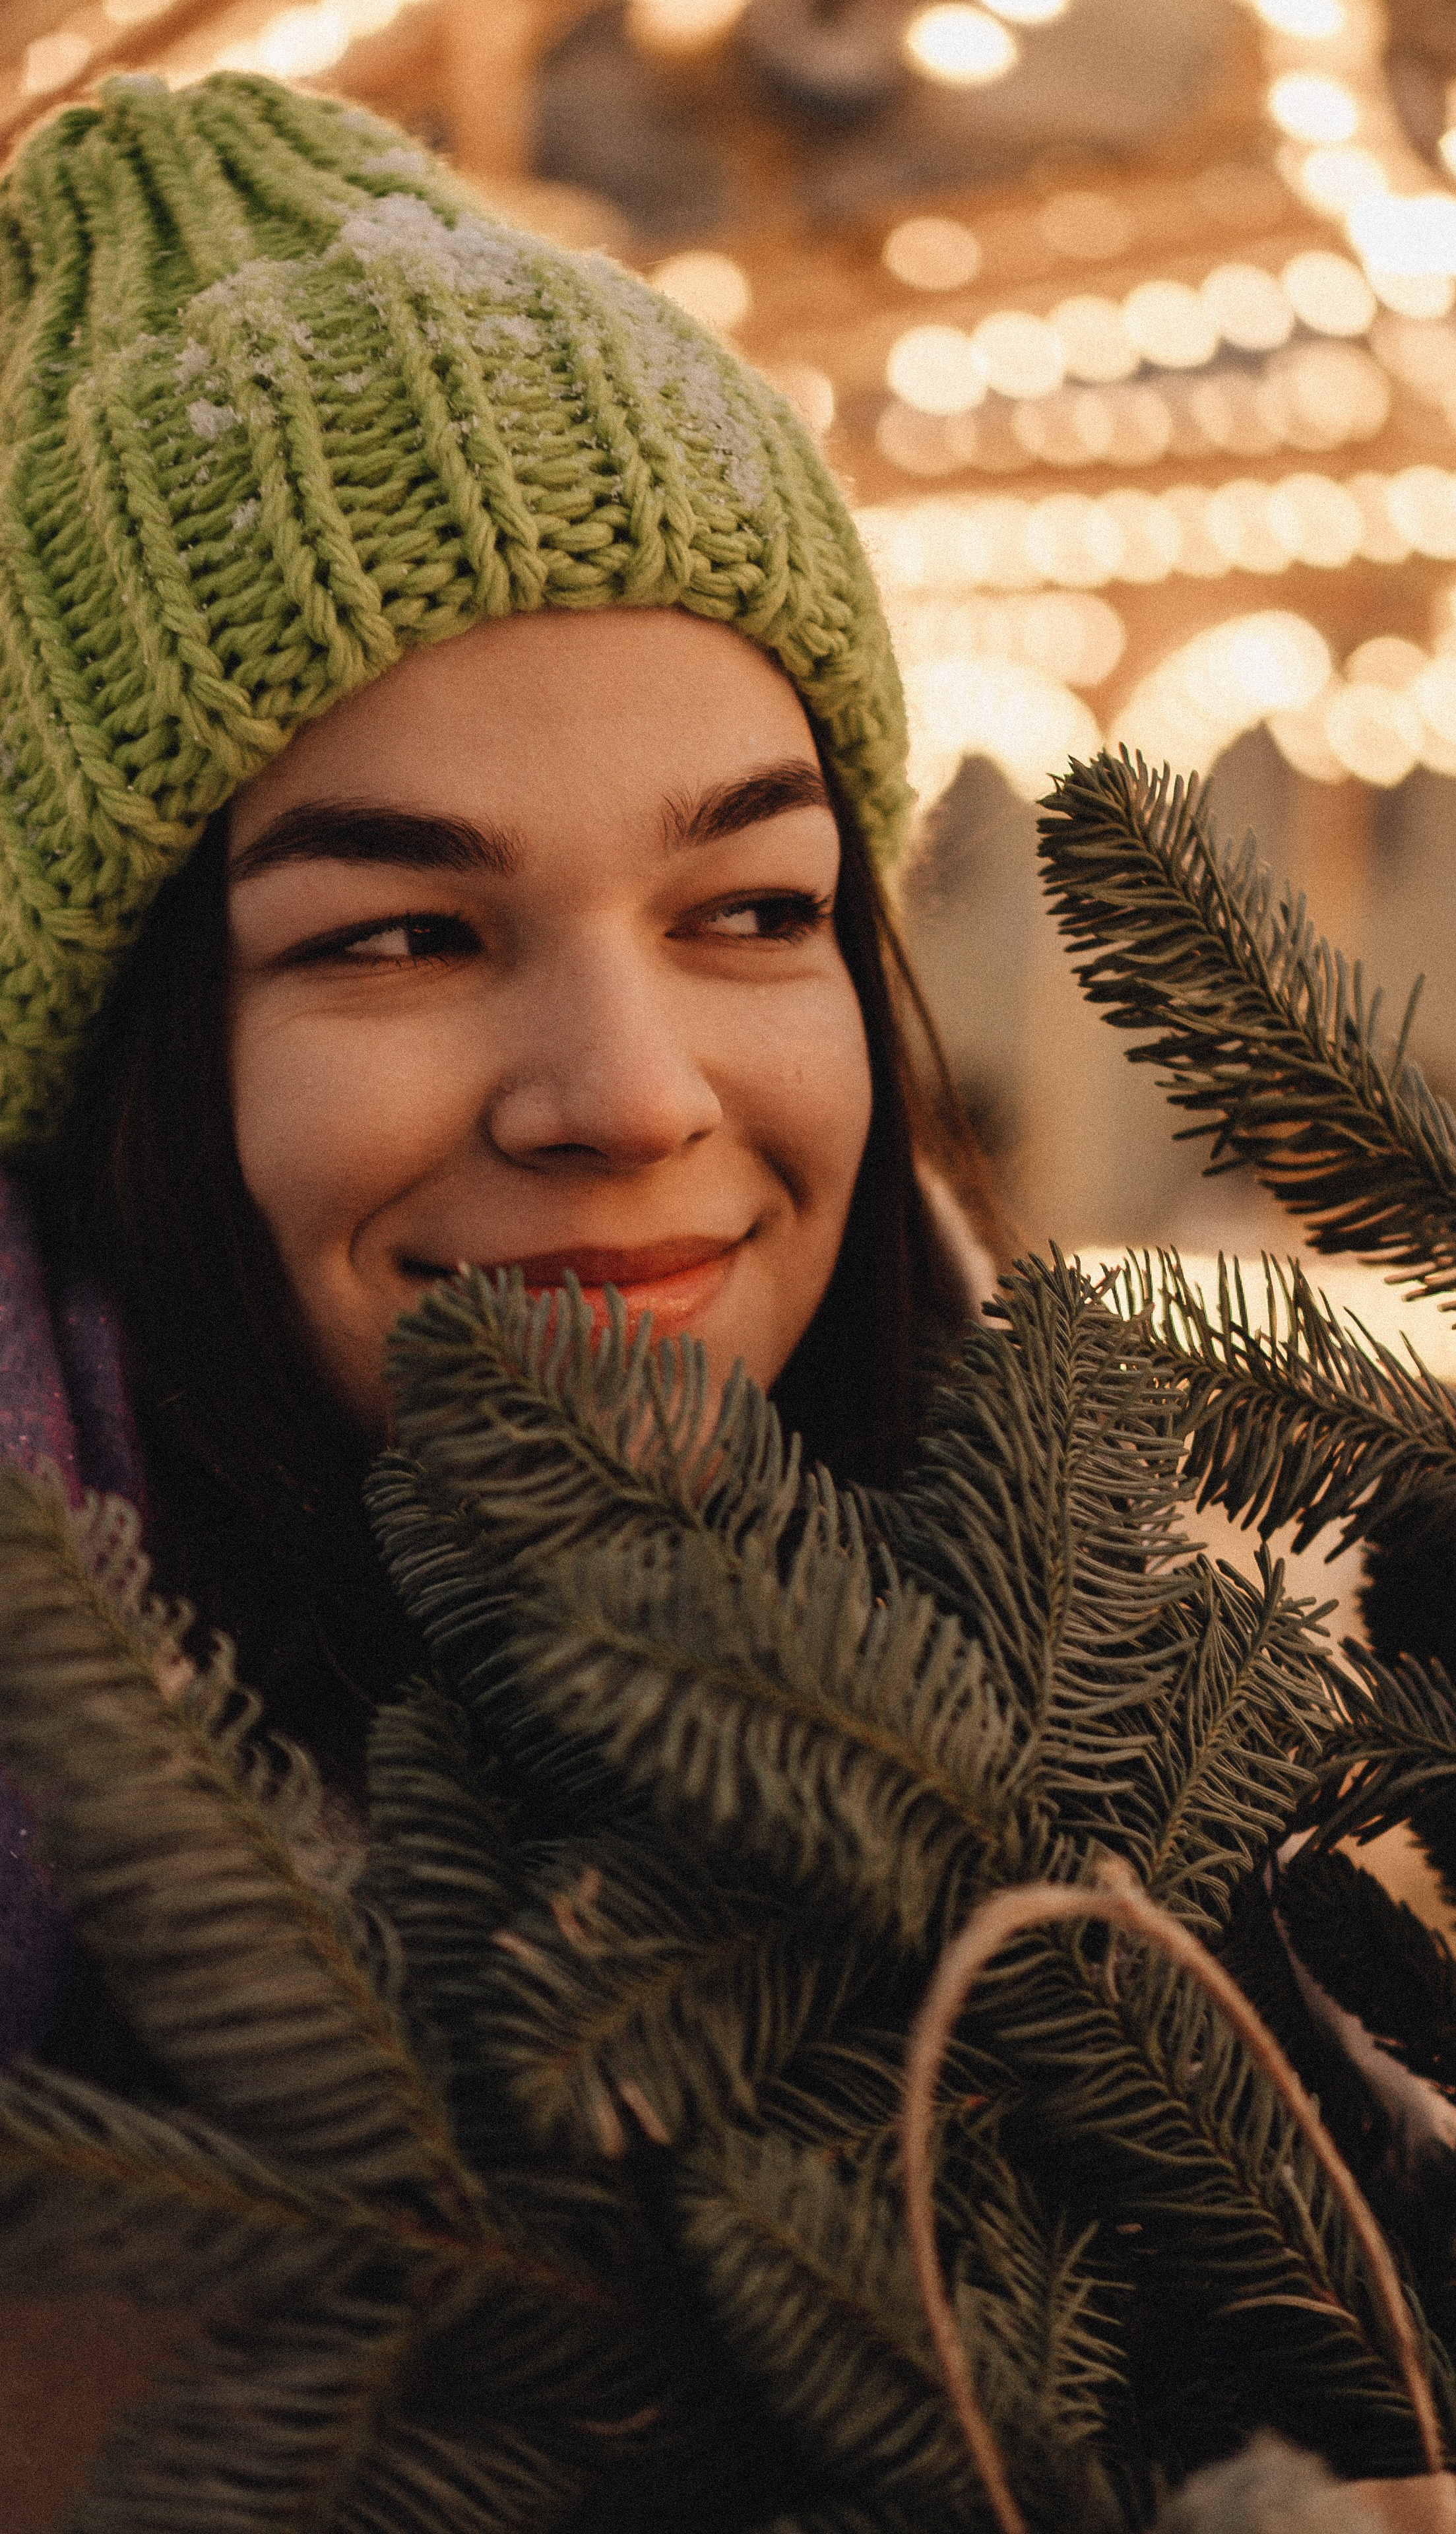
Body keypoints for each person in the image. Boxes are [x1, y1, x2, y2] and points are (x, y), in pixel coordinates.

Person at [0, 70, 1001, 2085]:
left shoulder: (1115, 1676)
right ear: (109, 1065)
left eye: (750, 907)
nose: (632, 1102)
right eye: (398, 938)